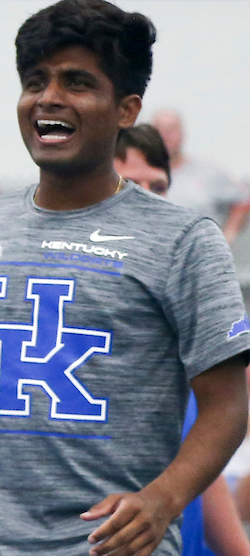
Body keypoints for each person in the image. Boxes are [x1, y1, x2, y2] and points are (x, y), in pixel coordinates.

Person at [0, 0, 250, 556]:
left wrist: (164, 499)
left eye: (77, 82)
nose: (49, 99)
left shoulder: (184, 240)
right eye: (36, 80)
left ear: (127, 109)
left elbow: (229, 405)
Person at [113, 125, 250, 556]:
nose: (147, 198)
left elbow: (198, 450)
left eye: (158, 186)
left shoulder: (184, 307)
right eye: (130, 184)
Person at [153, 110, 250, 244]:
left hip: (201, 254)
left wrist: (229, 234)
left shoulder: (208, 171)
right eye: (160, 130)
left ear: (182, 133)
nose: (166, 136)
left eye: (171, 129)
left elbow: (243, 198)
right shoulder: (139, 175)